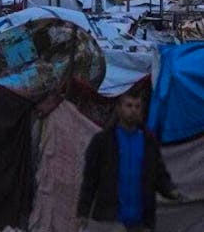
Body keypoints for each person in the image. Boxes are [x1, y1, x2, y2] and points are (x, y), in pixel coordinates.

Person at [78, 91, 183, 231]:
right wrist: (83, 212)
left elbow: (158, 173)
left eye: (137, 106)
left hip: (141, 221)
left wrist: (170, 190)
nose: (133, 110)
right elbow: (90, 179)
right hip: (110, 220)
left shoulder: (148, 141)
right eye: (129, 105)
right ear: (119, 108)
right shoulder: (103, 141)